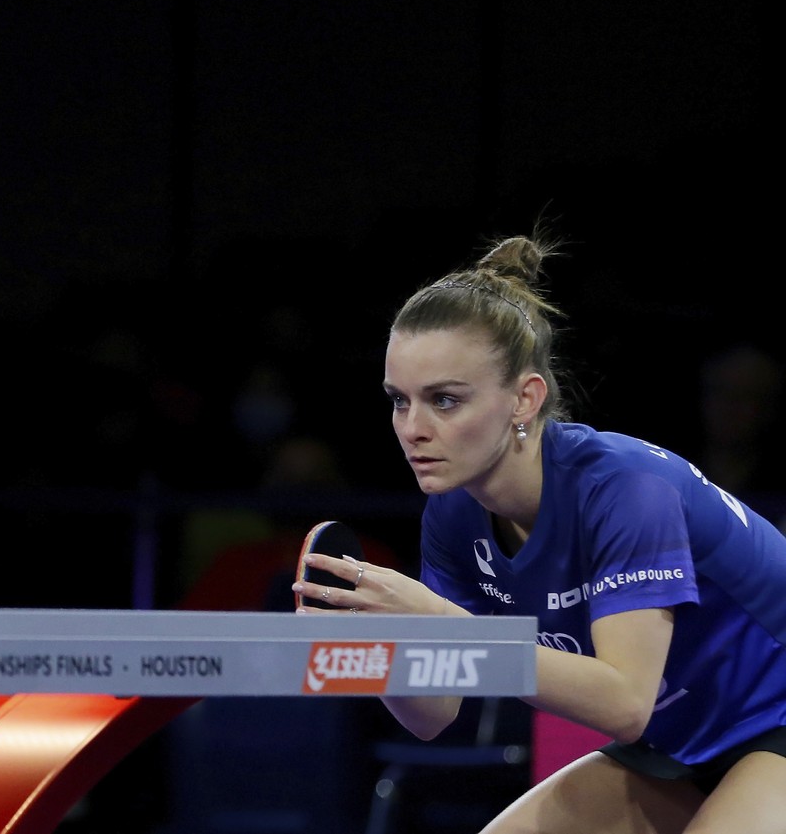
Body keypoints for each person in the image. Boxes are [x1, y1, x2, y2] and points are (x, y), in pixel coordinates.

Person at [295, 233, 786, 832]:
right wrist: (384, 645)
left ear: (525, 399)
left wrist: (447, 625)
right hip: (682, 741)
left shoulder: (626, 490)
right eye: (400, 401)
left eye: (445, 401)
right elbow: (433, 714)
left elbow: (625, 703)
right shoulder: (453, 514)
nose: (412, 429)